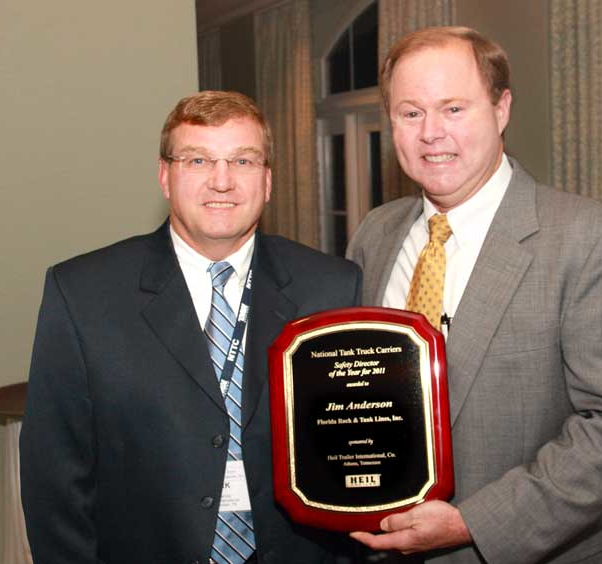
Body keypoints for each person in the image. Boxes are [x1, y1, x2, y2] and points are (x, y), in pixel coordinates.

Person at [345, 27, 602, 564]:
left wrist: (472, 523)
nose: (432, 133)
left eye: (453, 108)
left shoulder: (593, 240)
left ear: (501, 109)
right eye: (410, 113)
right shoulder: (376, 233)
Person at [20, 90, 362, 564]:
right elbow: (54, 476)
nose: (221, 181)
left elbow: (352, 450)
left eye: (243, 161)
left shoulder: (332, 287)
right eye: (198, 160)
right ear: (165, 176)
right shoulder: (81, 294)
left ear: (267, 181)